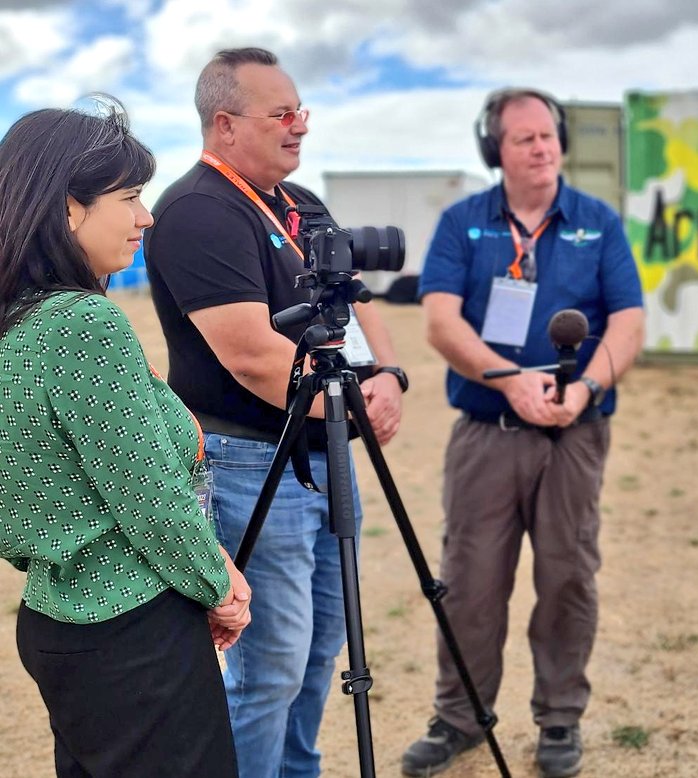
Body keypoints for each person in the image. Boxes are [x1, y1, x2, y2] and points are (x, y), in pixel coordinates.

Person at [144, 48, 405, 778]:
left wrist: (387, 375)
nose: (299, 129)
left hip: (324, 447)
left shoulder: (303, 204)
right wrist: (353, 401)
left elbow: (358, 304)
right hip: (252, 461)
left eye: (302, 113)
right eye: (282, 115)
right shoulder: (198, 209)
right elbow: (253, 357)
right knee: (272, 666)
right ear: (225, 125)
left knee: (322, 648)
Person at [0, 102, 252, 777]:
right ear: (67, 209)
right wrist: (218, 584)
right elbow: (152, 499)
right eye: (131, 197)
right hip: (132, 633)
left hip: (57, 618)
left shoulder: (15, 325)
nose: (146, 216)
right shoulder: (81, 323)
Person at [401, 88, 644, 778]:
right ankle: (459, 717)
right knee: (471, 581)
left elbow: (627, 322)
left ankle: (560, 717)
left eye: (548, 136)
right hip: (486, 426)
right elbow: (442, 321)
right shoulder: (462, 223)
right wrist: (508, 379)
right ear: (494, 151)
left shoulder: (598, 221)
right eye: (524, 139)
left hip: (576, 430)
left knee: (569, 576)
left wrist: (588, 386)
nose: (541, 149)